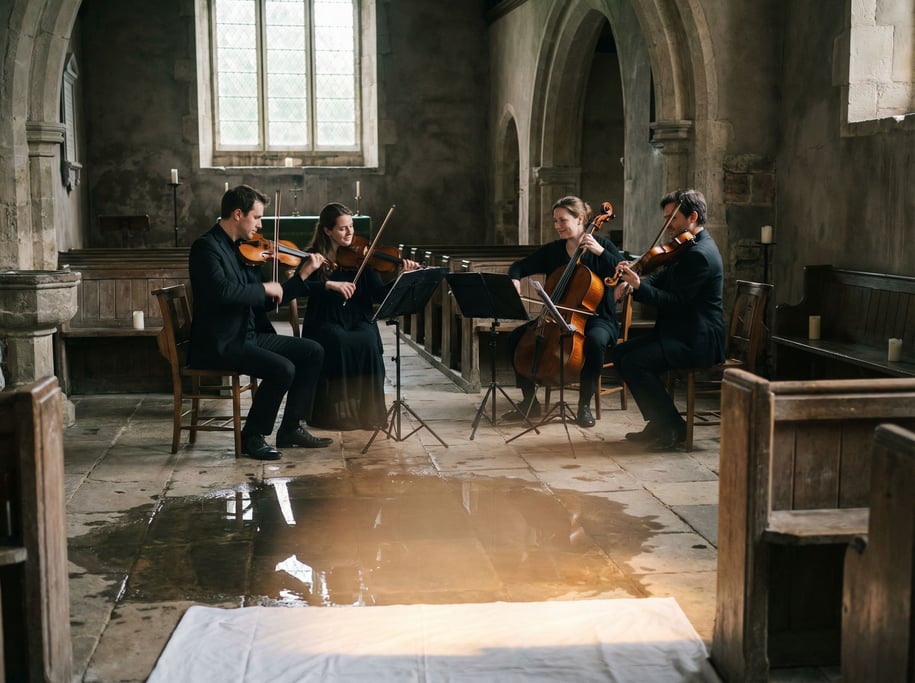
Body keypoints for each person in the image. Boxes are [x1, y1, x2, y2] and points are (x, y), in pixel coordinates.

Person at [188, 184, 333, 461]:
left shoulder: (243, 250)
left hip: (248, 334)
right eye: (257, 217)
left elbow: (266, 302)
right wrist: (264, 289)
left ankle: (290, 428)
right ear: (238, 214)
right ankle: (252, 436)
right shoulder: (206, 248)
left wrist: (301, 277)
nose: (261, 224)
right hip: (221, 341)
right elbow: (221, 293)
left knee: (313, 351)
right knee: (283, 369)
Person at [611, 188, 725, 451]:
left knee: (636, 362)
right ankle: (659, 421)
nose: (667, 225)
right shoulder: (687, 247)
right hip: (681, 332)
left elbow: (676, 301)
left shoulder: (699, 255)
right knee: (620, 354)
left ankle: (673, 426)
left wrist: (640, 286)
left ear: (692, 217)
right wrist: (634, 282)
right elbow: (661, 280)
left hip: (697, 339)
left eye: (671, 219)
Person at [505, 196, 623, 428]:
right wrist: (514, 279)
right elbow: (519, 266)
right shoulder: (553, 251)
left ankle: (584, 406)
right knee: (515, 338)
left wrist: (600, 252)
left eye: (562, 220)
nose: (557, 225)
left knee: (596, 342)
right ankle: (530, 402)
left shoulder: (603, 246)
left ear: (580, 219)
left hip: (598, 319)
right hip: (556, 318)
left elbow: (622, 269)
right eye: (555, 221)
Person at [301, 202, 420, 430]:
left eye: (351, 227)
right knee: (340, 341)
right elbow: (303, 287)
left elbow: (378, 295)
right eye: (343, 228)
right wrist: (328, 284)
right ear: (327, 230)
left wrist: (401, 277)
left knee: (367, 340)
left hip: (358, 318)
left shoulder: (363, 258)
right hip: (326, 319)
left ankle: (368, 414)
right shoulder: (315, 258)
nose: (350, 233)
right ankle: (338, 414)